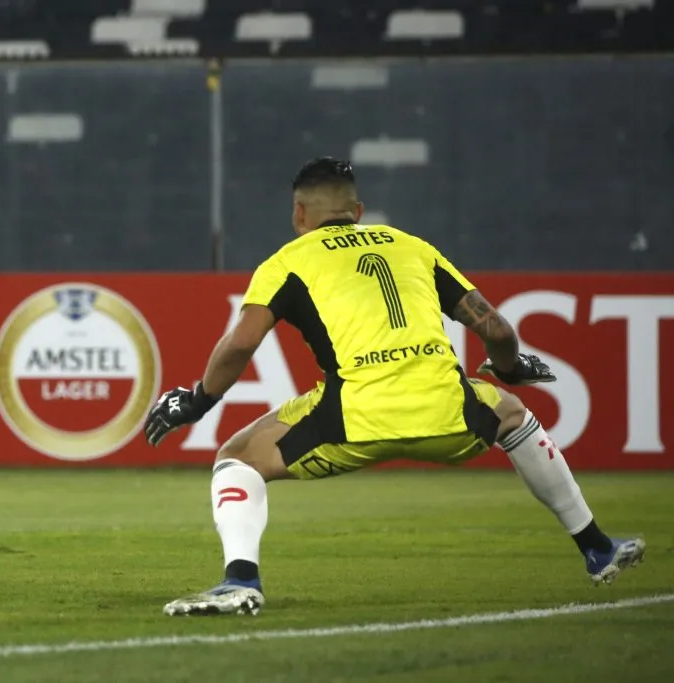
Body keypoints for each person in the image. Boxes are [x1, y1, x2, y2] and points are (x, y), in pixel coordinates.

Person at [143, 157, 645, 616]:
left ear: (299, 215)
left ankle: (240, 581)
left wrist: (198, 400)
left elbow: (241, 343)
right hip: (449, 415)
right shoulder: (412, 247)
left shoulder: (287, 262)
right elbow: (497, 331)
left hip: (353, 420)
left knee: (236, 459)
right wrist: (509, 369)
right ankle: (596, 547)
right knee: (511, 413)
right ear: (358, 211)